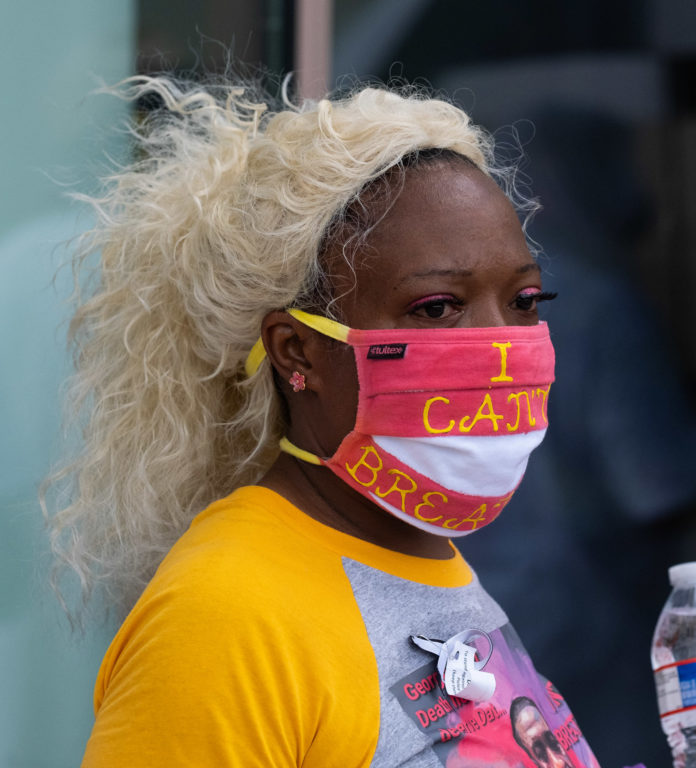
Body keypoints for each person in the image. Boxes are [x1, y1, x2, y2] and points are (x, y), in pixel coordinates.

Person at [46, 75, 604, 768]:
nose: (500, 347)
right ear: (297, 351)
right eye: (436, 307)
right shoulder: (226, 617)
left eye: (524, 299)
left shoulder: (421, 554)